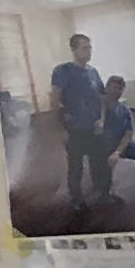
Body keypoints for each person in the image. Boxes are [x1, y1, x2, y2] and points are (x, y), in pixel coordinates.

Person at [46, 31, 107, 209]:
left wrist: (102, 120)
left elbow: (101, 98)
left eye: (90, 48)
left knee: (98, 162)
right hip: (75, 128)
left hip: (94, 127)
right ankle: (76, 199)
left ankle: (102, 192)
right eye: (85, 48)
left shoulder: (93, 72)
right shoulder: (62, 71)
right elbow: (55, 99)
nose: (89, 51)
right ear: (73, 50)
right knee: (76, 166)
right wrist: (60, 129)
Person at [95, 74, 135, 206]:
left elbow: (128, 134)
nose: (116, 91)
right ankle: (105, 193)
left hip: (118, 144)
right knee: (101, 158)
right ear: (106, 88)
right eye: (113, 88)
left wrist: (117, 153)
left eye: (119, 89)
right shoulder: (96, 105)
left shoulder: (124, 110)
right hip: (100, 145)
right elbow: (99, 113)